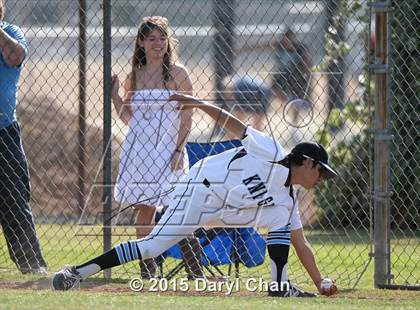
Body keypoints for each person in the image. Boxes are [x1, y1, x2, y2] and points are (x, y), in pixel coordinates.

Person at [52, 92, 338, 297]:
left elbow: (301, 244)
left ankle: (279, 287)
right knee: (152, 246)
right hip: (199, 191)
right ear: (307, 162)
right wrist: (200, 104)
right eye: (321, 172)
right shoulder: (274, 152)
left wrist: (320, 281)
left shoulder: (288, 198)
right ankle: (77, 272)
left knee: (280, 214)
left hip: (229, 212)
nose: (321, 178)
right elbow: (234, 125)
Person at [111, 16, 203, 279]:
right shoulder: (134, 75)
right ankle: (148, 270)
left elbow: (187, 115)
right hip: (140, 151)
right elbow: (129, 118)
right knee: (145, 209)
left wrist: (177, 151)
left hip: (168, 150)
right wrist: (116, 96)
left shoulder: (178, 73)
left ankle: (195, 270)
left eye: (162, 38)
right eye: (151, 38)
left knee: (177, 207)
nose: (158, 43)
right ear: (141, 42)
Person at [0, 0, 47, 274]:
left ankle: (32, 265)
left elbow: (15, 57)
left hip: (4, 131)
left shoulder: (12, 33)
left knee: (15, 197)